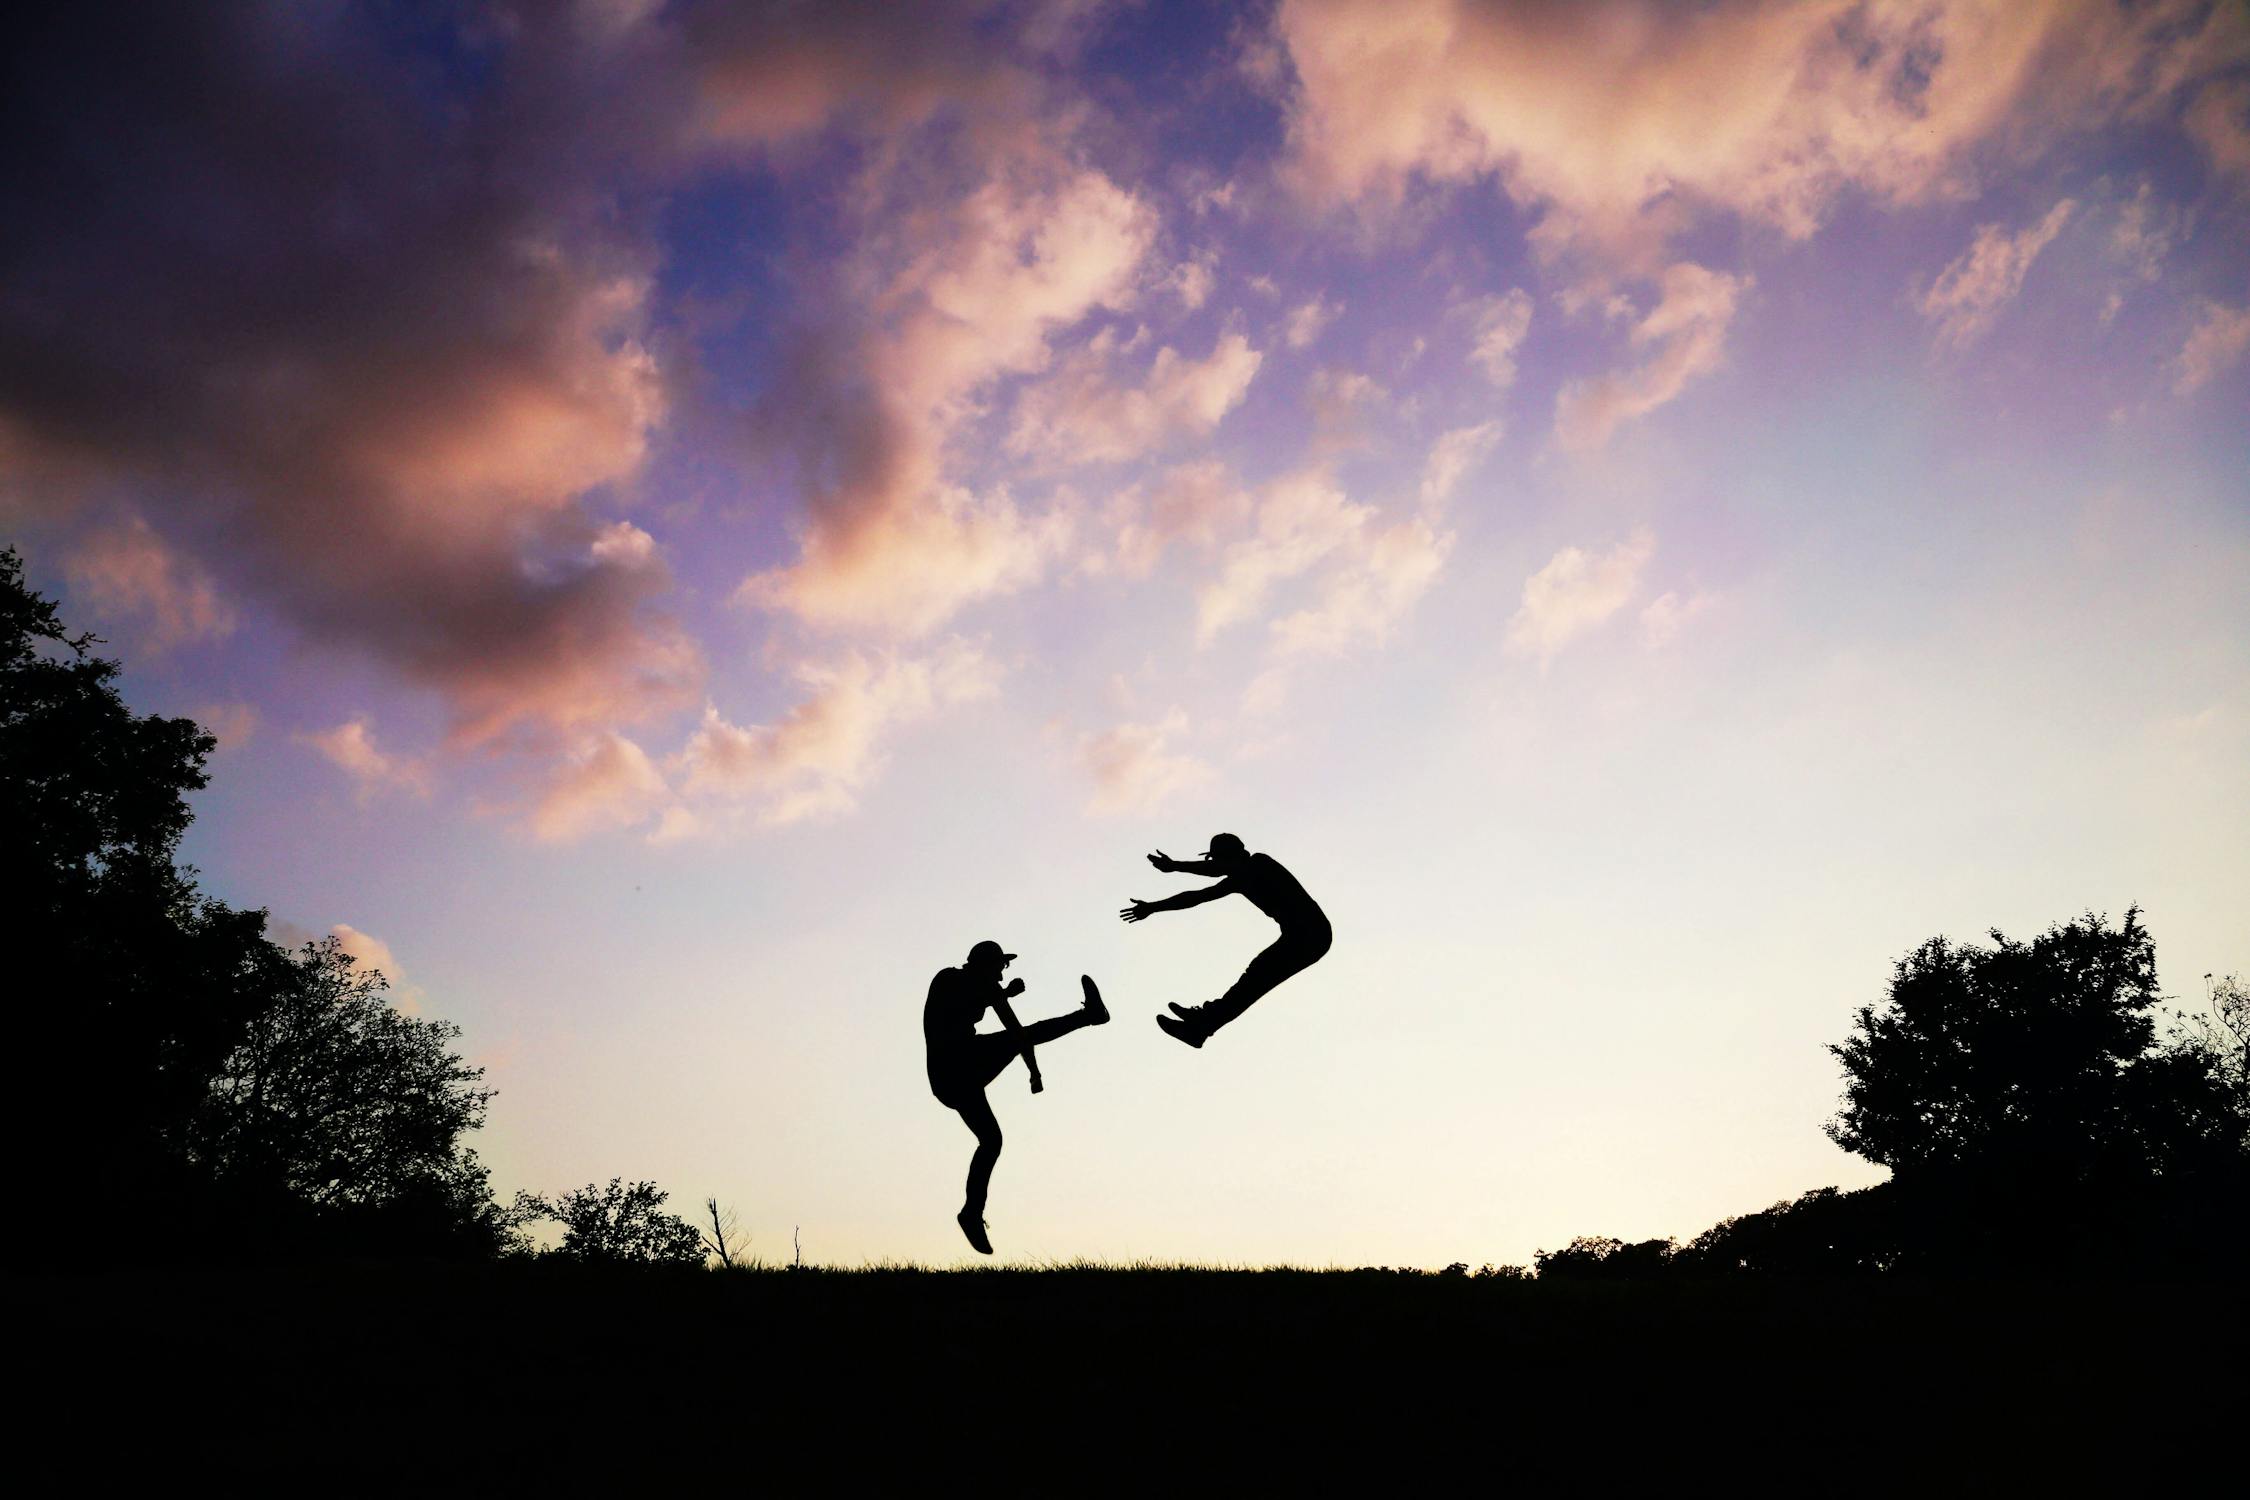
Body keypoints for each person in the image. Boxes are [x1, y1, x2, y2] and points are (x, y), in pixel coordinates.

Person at [924, 940, 1108, 1255]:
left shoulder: (974, 985)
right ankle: (1089, 1015)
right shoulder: (952, 979)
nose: (1002, 973)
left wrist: (1004, 996)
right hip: (958, 1064)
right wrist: (1033, 1071)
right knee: (1024, 1035)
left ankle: (971, 1213)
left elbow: (992, 1017)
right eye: (1001, 966)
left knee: (991, 1140)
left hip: (952, 1078)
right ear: (985, 964)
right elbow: (1012, 1029)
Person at [1121, 833, 1331, 1048]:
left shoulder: (1258, 863)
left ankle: (1201, 1025)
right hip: (1306, 935)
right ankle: (1201, 1023)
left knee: (1256, 976)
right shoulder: (1240, 878)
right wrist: (1152, 906)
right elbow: (1196, 896)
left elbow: (1213, 873)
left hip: (1311, 934)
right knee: (1256, 975)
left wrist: (1175, 866)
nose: (1216, 864)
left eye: (1218, 859)